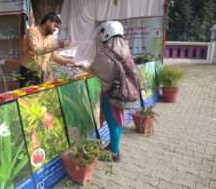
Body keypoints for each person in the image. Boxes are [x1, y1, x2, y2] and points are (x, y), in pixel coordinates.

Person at [81, 21, 138, 162]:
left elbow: (95, 69)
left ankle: (114, 153)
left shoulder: (106, 53)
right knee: (118, 121)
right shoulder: (125, 49)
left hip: (112, 94)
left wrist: (83, 66)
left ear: (106, 33)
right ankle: (113, 146)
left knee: (113, 122)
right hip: (124, 92)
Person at [20, 12, 74, 87]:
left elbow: (54, 56)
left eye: (57, 28)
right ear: (48, 21)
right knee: (26, 97)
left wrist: (69, 62)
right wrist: (58, 44)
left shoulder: (51, 38)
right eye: (55, 26)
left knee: (38, 97)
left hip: (40, 73)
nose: (55, 29)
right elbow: (37, 50)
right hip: (28, 71)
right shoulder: (32, 31)